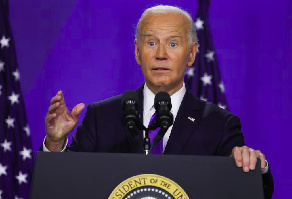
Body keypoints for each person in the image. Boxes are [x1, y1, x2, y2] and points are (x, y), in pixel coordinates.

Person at [43, 5, 274, 198]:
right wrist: (55, 143)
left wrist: (255, 166)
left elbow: (252, 191)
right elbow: (64, 186)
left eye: (173, 44)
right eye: (151, 43)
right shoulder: (101, 116)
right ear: (137, 52)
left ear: (192, 54)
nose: (161, 54)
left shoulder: (219, 124)